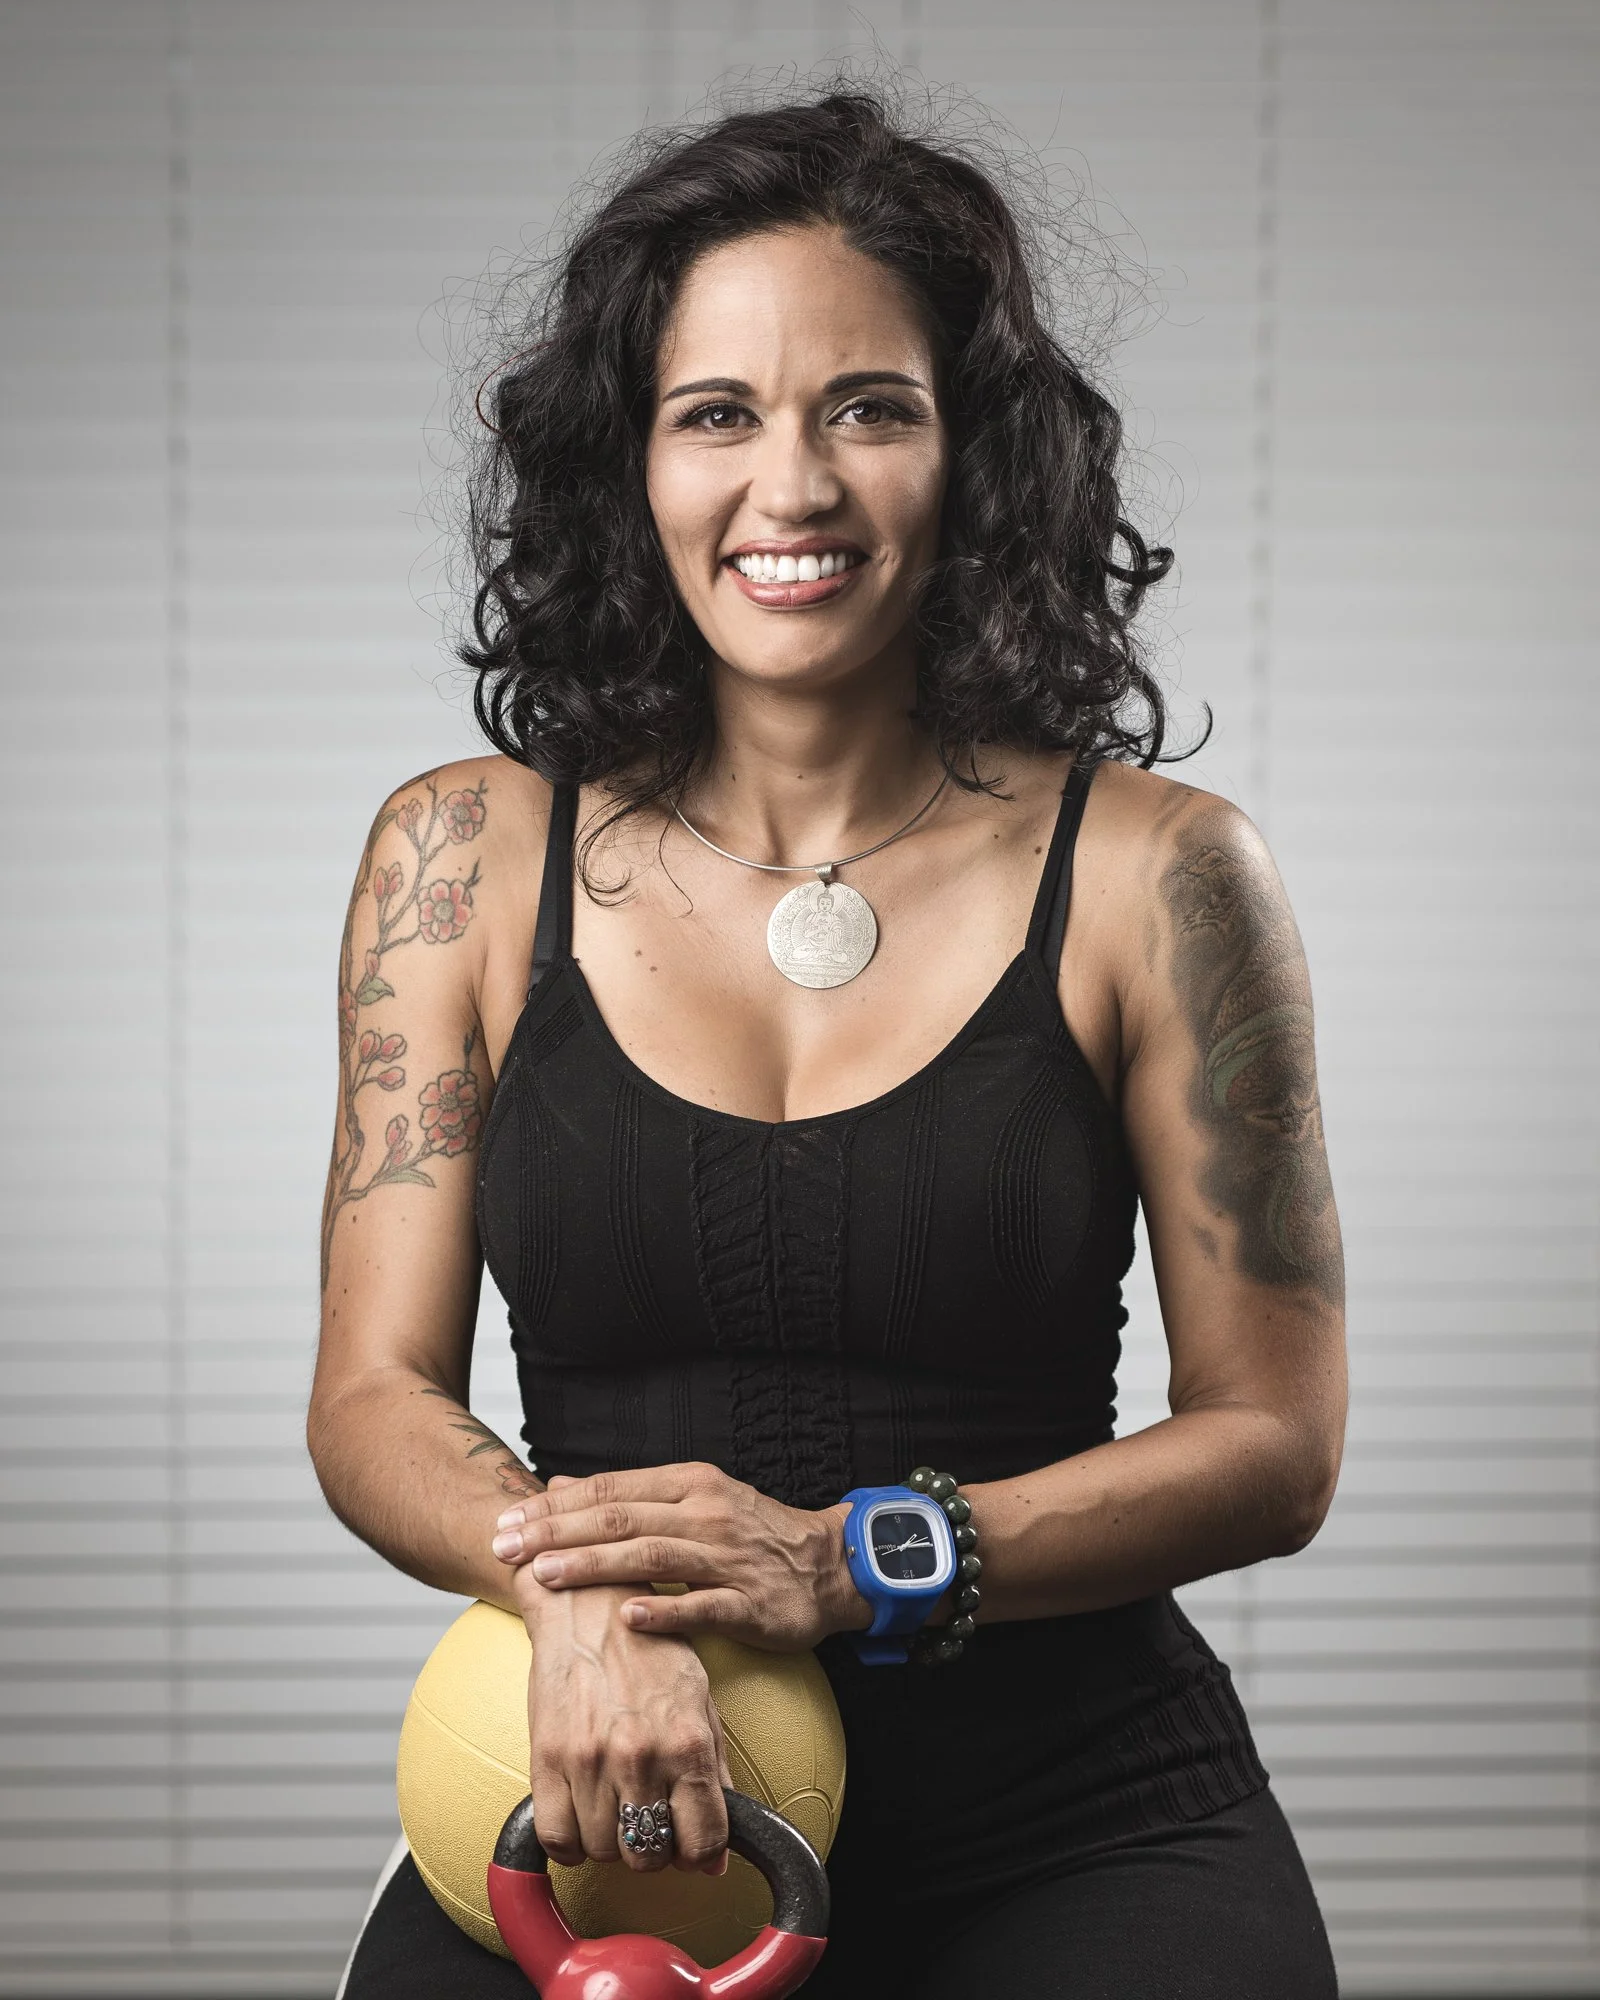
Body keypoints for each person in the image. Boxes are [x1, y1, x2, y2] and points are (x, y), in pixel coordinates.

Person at [313, 85, 1346, 1999]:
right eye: (716, 415)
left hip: (1086, 1826)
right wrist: (565, 1591)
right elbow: (373, 1397)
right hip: (601, 1812)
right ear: (625, 466)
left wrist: (847, 1559)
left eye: (869, 408)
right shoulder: (460, 860)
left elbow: (1276, 1445)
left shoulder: (1163, 876)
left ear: (976, 457)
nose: (790, 489)